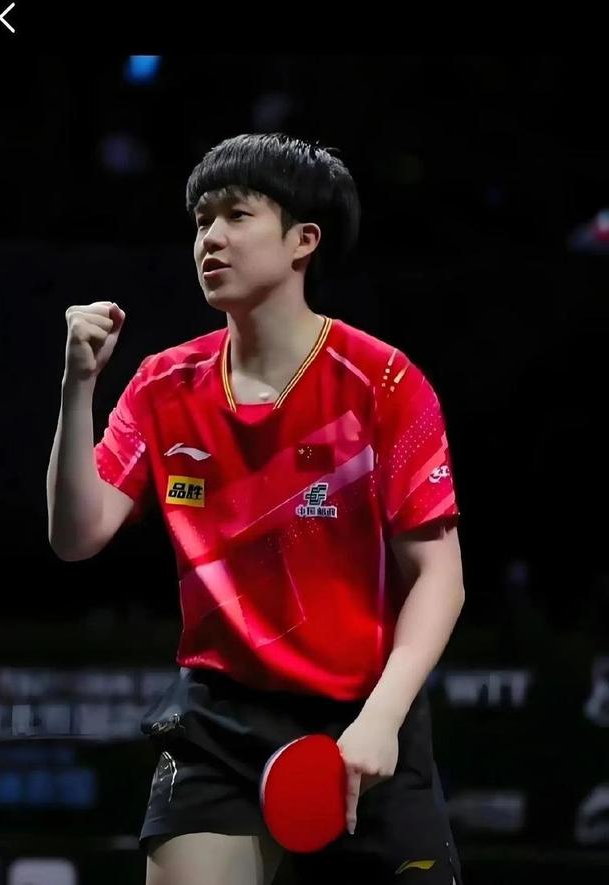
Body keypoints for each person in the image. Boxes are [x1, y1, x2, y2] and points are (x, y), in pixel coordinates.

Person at [46, 133, 465, 885]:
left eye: (237, 215)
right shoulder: (163, 385)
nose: (211, 238)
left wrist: (383, 716)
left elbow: (440, 577)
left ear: (304, 240)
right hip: (219, 720)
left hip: (364, 709)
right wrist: (78, 386)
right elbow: (77, 537)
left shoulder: (382, 383)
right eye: (201, 221)